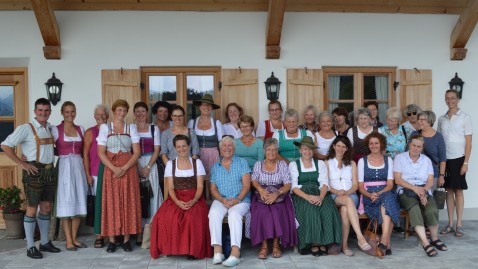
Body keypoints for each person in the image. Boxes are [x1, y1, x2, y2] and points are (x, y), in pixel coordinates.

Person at [1, 98, 60, 259]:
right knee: (32, 209)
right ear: (35, 111)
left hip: (49, 171)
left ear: (50, 112)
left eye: (46, 110)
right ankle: (30, 246)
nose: (43, 113)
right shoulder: (26, 128)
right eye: (40, 110)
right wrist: (22, 163)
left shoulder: (50, 128)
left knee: (46, 207)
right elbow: (5, 145)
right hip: (34, 171)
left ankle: (45, 242)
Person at [150, 135, 212, 259]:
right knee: (164, 216)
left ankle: (192, 250)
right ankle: (171, 248)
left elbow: (200, 187)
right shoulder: (170, 164)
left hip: (194, 197)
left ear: (189, 146)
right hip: (176, 197)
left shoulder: (197, 163)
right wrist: (177, 202)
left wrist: (194, 200)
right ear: (175, 148)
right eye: (178, 147)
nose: (181, 149)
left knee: (192, 217)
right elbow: (171, 188)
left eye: (184, 146)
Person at [97, 99, 142, 253]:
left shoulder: (131, 128)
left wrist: (124, 167)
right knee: (111, 202)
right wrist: (114, 169)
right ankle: (112, 240)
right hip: (111, 169)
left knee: (128, 201)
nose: (122, 113)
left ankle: (126, 239)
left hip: (128, 169)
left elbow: (136, 152)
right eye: (119, 110)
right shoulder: (105, 127)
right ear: (114, 111)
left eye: (124, 110)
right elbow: (100, 152)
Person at [394, 134, 448, 257]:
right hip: (406, 190)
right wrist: (415, 189)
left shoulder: (426, 160)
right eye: (414, 145)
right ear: (409, 145)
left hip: (423, 189)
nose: (415, 148)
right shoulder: (399, 158)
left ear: (422, 148)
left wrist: (423, 192)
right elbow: (397, 180)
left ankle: (434, 238)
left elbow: (430, 180)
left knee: (432, 209)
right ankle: (425, 242)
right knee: (415, 208)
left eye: (419, 146)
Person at [290, 136, 341, 256]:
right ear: (300, 150)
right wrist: (308, 197)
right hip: (302, 194)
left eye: (310, 149)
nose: (307, 152)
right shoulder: (294, 164)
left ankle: (325, 242)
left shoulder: (320, 163)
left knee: (328, 209)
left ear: (313, 151)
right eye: (305, 149)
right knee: (310, 209)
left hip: (319, 192)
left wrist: (321, 197)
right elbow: (294, 187)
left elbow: (324, 184)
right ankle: (313, 243)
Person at [250, 138, 298, 259]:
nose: (271, 152)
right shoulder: (258, 164)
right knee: (262, 211)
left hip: (279, 194)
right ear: (264, 151)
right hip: (262, 194)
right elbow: (254, 180)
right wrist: (261, 190)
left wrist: (277, 193)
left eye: (274, 150)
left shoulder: (281, 165)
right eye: (268, 149)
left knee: (277, 211)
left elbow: (287, 184)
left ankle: (276, 244)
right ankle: (264, 245)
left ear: (277, 151)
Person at [209, 136, 251, 267]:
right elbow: (213, 189)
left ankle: (235, 252)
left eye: (230, 145)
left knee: (234, 214)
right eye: (224, 146)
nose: (227, 148)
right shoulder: (216, 167)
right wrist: (222, 199)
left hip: (241, 199)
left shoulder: (242, 162)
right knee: (213, 214)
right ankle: (218, 251)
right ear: (220, 150)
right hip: (222, 199)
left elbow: (246, 185)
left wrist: (237, 199)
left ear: (234, 148)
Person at [51, 101, 88, 251]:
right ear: (62, 113)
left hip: (78, 166)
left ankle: (74, 238)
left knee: (78, 198)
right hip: (64, 167)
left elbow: (86, 151)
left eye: (72, 111)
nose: (70, 114)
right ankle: (68, 240)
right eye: (67, 112)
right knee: (66, 201)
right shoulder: (55, 129)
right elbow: (48, 148)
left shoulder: (81, 129)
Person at [326, 136, 371, 256]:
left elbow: (355, 185)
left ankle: (344, 245)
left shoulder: (352, 163)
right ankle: (360, 237)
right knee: (346, 201)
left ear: (347, 149)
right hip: (334, 196)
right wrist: (337, 191)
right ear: (334, 146)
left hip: (350, 195)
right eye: (338, 146)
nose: (340, 149)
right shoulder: (327, 162)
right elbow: (326, 184)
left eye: (344, 147)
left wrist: (347, 192)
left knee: (345, 209)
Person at [358, 132, 400, 255]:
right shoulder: (362, 161)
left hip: (385, 191)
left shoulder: (388, 160)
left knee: (387, 200)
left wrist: (379, 192)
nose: (374, 145)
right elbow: (360, 186)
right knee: (388, 205)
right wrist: (370, 194)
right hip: (368, 195)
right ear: (368, 145)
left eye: (376, 143)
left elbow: (390, 185)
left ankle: (384, 240)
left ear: (381, 144)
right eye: (371, 143)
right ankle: (386, 241)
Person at [437, 89, 472, 238]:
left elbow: (469, 143)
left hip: (459, 158)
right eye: (447, 98)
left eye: (453, 98)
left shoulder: (465, 117)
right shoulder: (441, 118)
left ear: (458, 99)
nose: (450, 100)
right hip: (446, 159)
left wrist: (465, 162)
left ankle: (459, 224)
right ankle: (450, 223)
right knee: (448, 191)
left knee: (458, 190)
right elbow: (439, 141)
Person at [132, 102, 163, 245]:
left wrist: (148, 166)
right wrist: (138, 166)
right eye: (137, 111)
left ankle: (151, 231)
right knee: (138, 197)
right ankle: (139, 231)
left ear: (147, 113)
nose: (140, 114)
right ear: (134, 113)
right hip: (134, 163)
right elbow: (130, 150)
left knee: (152, 195)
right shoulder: (131, 128)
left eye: (142, 111)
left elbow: (157, 150)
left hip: (151, 163)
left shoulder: (153, 128)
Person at [83, 104, 109, 248]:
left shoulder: (112, 130)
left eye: (103, 114)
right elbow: (85, 155)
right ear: (94, 117)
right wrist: (87, 175)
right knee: (99, 204)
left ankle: (112, 234)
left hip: (112, 172)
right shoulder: (90, 132)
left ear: (108, 116)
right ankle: (99, 235)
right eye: (98, 115)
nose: (101, 117)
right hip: (95, 172)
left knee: (110, 204)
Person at [160, 105, 200, 195]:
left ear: (184, 116)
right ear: (171, 117)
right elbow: (163, 153)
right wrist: (172, 167)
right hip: (171, 170)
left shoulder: (191, 132)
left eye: (180, 116)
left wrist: (190, 167)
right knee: (170, 196)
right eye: (175, 116)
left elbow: (195, 152)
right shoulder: (165, 133)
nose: (177, 118)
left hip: (189, 170)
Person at [187, 94, 223, 176]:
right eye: (204, 104)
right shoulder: (192, 123)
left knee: (213, 181)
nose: (206, 107)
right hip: (196, 156)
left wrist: (222, 160)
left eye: (209, 105)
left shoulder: (217, 123)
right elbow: (187, 142)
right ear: (199, 107)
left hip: (213, 157)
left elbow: (222, 143)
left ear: (212, 108)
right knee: (198, 181)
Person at [412, 111, 446, 191]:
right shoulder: (414, 134)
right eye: (418, 119)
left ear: (429, 122)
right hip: (415, 173)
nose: (419, 122)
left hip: (433, 174)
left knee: (431, 200)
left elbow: (442, 158)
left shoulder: (438, 137)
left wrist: (441, 175)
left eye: (422, 120)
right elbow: (407, 153)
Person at [152, 100, 172, 200]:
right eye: (160, 111)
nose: (163, 114)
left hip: (172, 158)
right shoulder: (151, 127)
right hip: (157, 160)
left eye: (165, 111)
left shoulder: (173, 125)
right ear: (156, 112)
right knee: (160, 184)